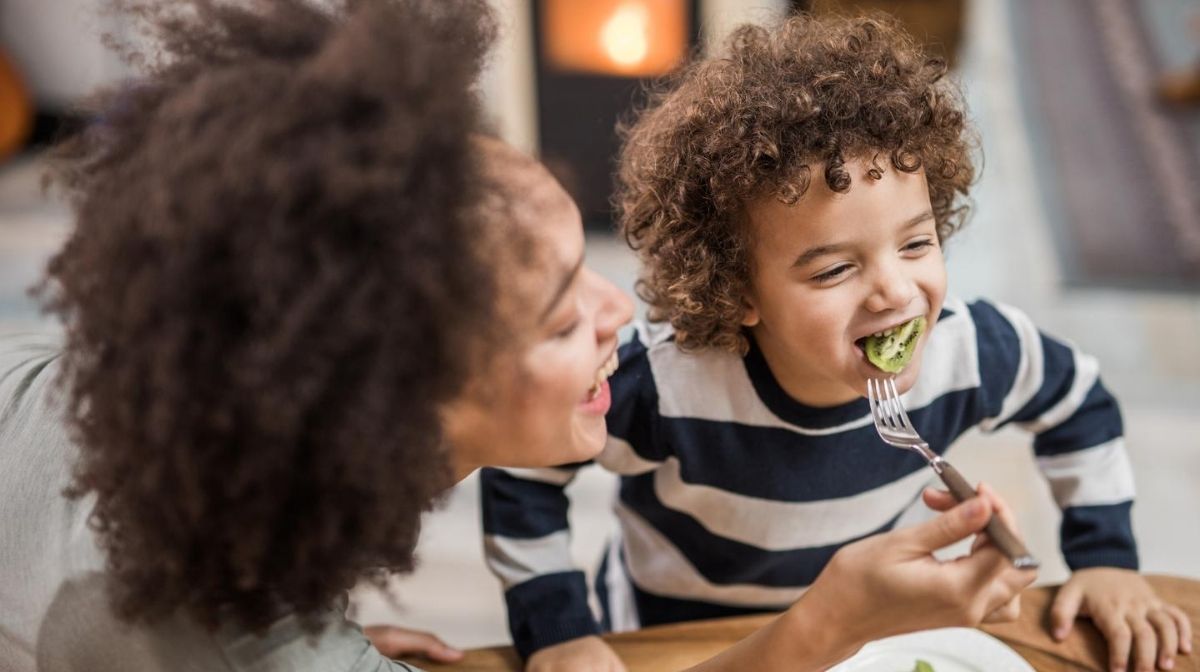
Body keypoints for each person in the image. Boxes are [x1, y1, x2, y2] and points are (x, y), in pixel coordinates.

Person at [0, 1, 1034, 671]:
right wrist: (828, 622)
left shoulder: (183, 399)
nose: (619, 310)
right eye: (558, 314)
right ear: (387, 410)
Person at [480, 13, 1194, 672]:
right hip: (668, 640)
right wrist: (560, 629)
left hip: (862, 639)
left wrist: (1105, 559)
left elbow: (1078, 402)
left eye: (917, 243)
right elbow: (523, 470)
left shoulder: (970, 351)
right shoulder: (663, 383)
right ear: (740, 290)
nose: (893, 291)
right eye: (834, 269)